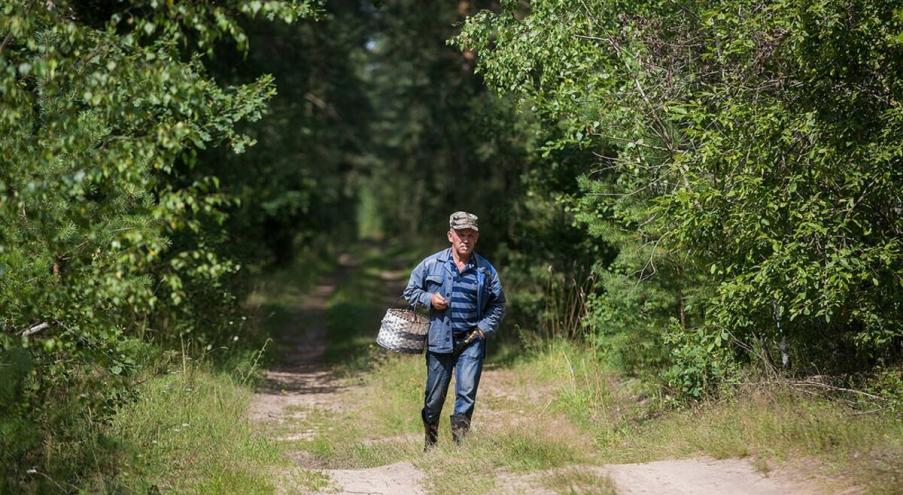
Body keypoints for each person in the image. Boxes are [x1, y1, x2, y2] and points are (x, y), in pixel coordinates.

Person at [402, 211, 506, 451]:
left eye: (470, 235)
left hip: (472, 341)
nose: (465, 240)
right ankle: (431, 442)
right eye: (461, 235)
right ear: (450, 236)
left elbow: (498, 303)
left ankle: (460, 447)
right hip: (440, 340)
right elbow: (410, 292)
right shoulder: (430, 264)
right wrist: (429, 299)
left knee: (466, 393)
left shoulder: (485, 270)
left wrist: (483, 329)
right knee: (434, 397)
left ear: (476, 238)